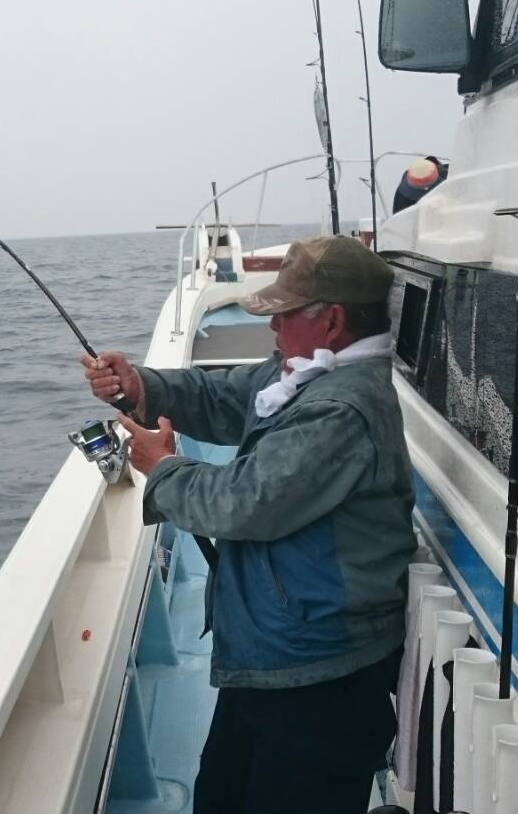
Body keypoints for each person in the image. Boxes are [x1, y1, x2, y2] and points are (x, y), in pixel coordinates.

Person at [80, 235, 415, 814]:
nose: (273, 328)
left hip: (319, 678)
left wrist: (163, 469)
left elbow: (244, 502)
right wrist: (141, 386)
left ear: (331, 321)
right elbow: (225, 398)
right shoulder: (306, 372)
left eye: (284, 315)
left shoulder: (341, 409)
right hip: (274, 663)